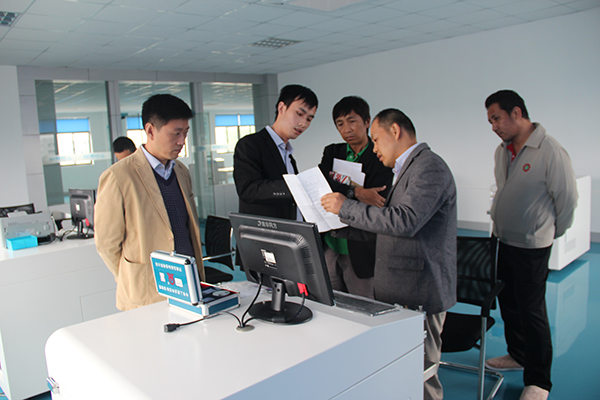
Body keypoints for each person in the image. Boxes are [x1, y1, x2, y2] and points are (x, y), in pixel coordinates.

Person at [321, 108, 457, 400]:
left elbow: (405, 221)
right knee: (401, 369)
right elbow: (387, 228)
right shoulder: (407, 168)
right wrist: (337, 230)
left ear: (395, 131)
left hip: (420, 290)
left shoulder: (429, 167)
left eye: (376, 139)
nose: (374, 148)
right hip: (400, 288)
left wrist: (346, 207)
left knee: (421, 374)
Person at [484, 90, 578, 400]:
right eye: (490, 121)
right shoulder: (502, 151)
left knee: (532, 311)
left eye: (497, 118)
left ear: (517, 113)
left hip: (532, 247)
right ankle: (518, 354)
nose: (494, 126)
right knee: (509, 303)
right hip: (503, 240)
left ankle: (539, 381)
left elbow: (567, 199)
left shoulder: (550, 150)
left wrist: (550, 231)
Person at [95, 94, 205, 311]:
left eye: (185, 133)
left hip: (190, 285)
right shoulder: (119, 176)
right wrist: (130, 277)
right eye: (176, 133)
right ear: (150, 130)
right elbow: (107, 244)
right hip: (147, 292)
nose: (182, 141)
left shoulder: (181, 171)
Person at [318, 96, 393, 298]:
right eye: (340, 124)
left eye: (352, 121)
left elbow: (378, 199)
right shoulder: (333, 152)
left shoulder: (379, 157)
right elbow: (320, 185)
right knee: (330, 299)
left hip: (361, 244)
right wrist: (357, 192)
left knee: (363, 301)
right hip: (331, 240)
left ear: (367, 122)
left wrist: (338, 189)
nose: (347, 129)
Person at [233, 84, 318, 221]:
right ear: (281, 108)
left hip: (292, 231)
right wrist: (296, 186)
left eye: (309, 119)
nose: (303, 123)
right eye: (299, 114)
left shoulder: (288, 155)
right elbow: (248, 190)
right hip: (264, 232)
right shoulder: (250, 144)